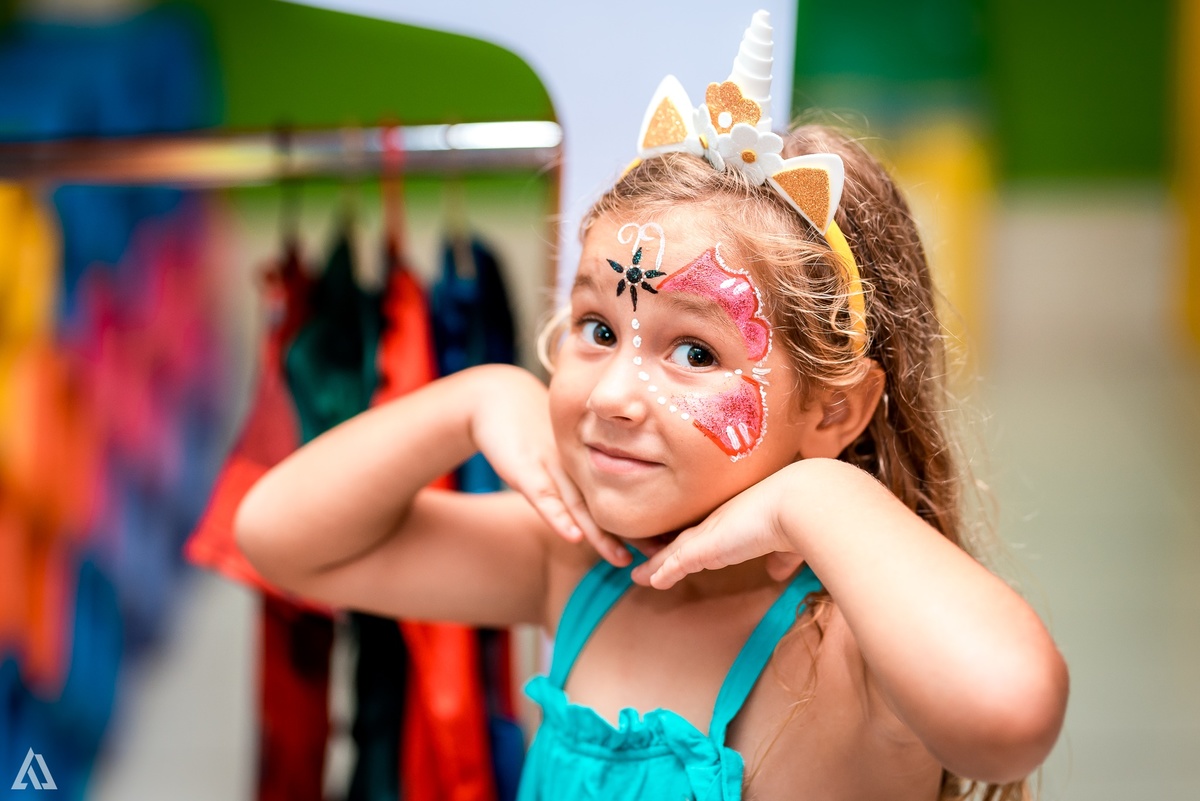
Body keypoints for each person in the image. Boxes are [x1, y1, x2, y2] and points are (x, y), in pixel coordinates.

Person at [235, 11, 1068, 801]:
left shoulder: (843, 645)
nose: (615, 394)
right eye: (598, 328)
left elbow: (1010, 713)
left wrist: (817, 494)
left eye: (696, 352)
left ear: (833, 413)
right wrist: (473, 396)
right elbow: (279, 536)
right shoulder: (583, 566)